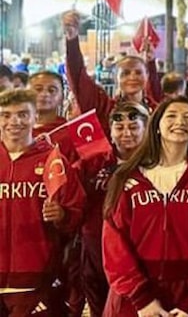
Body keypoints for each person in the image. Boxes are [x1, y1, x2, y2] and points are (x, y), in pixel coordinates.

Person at [101, 97, 188, 317]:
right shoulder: (126, 176)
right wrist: (142, 299)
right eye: (171, 115)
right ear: (156, 125)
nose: (180, 121)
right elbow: (113, 242)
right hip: (134, 299)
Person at [0, 88, 86, 317]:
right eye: (5, 115)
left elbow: (77, 213)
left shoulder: (53, 160)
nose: (13, 121)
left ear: (35, 117)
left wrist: (62, 215)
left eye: (22, 114)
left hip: (36, 280)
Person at [79, 101, 148, 317]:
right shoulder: (94, 162)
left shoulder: (156, 165)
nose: (126, 133)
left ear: (146, 129)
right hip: (96, 250)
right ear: (110, 131)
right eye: (119, 127)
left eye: (133, 127)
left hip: (138, 254)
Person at [62, 11, 161, 125]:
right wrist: (72, 40)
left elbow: (154, 87)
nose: (132, 77)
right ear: (116, 78)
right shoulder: (106, 108)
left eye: (138, 73)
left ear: (147, 76)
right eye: (125, 73)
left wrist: (151, 62)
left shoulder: (157, 111)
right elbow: (79, 80)